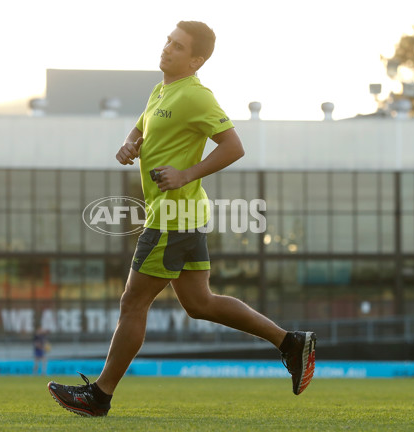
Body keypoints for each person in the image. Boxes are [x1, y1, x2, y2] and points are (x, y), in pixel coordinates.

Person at [48, 20, 316, 417]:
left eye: (178, 46)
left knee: (133, 302)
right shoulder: (161, 90)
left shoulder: (196, 96)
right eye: (168, 41)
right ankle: (290, 342)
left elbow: (234, 146)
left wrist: (186, 174)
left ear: (196, 60)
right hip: (184, 214)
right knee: (200, 303)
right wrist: (129, 144)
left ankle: (100, 396)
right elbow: (142, 126)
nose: (167, 49)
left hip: (172, 217)